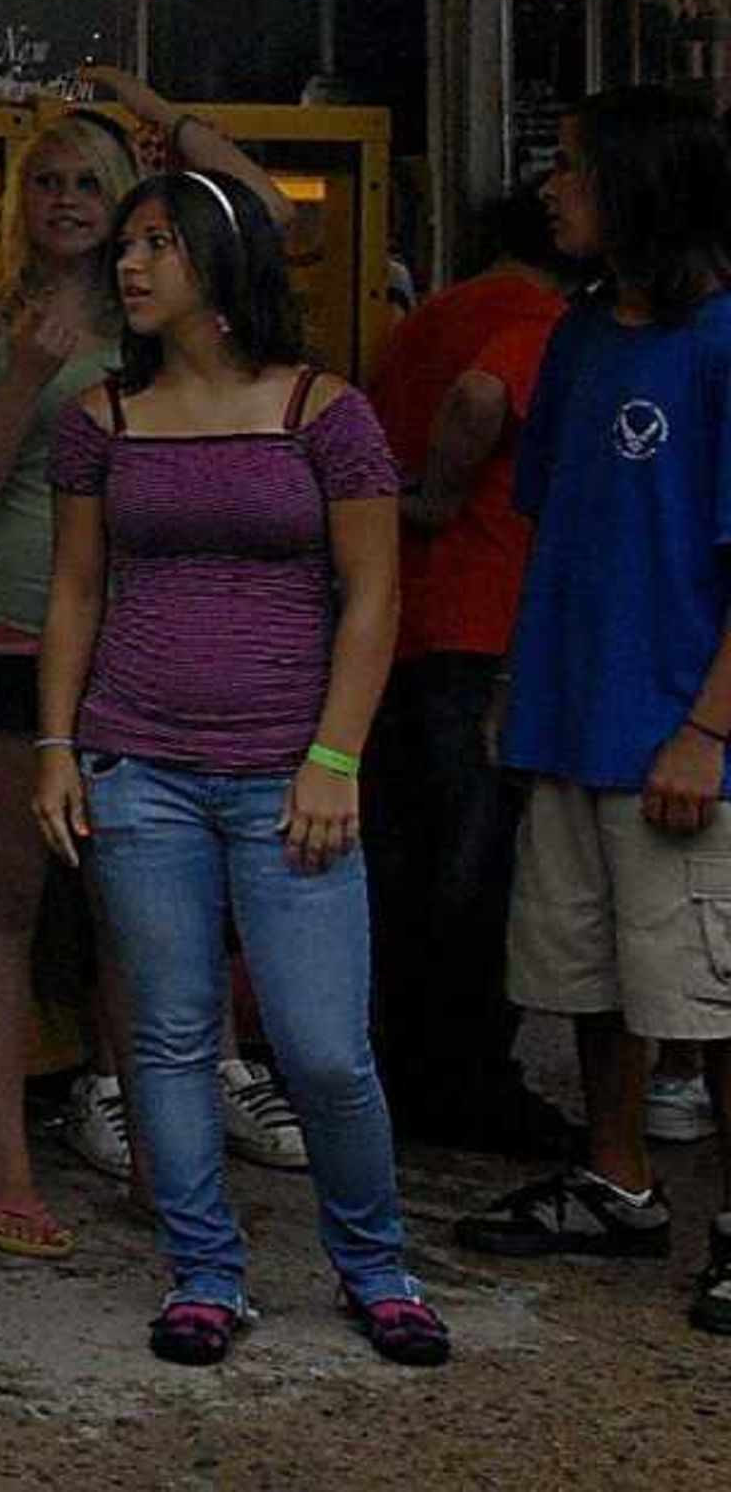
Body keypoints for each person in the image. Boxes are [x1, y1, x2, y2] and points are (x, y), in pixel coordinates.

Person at [32, 166, 437, 1368]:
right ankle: (205, 1271)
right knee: (168, 1033)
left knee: (321, 1046)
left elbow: (374, 597)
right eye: (129, 246)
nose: (131, 265)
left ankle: (377, 1264)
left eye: (159, 243)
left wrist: (335, 755)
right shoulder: (99, 418)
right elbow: (74, 589)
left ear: (222, 261)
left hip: (287, 772)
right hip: (137, 759)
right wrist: (58, 744)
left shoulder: (326, 411)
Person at [456, 87, 731, 1343]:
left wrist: (708, 730)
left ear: (640, 184)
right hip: (570, 708)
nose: (551, 188)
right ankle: (616, 1182)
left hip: (677, 727)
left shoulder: (720, 339)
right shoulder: (576, 335)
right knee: (585, 968)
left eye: (572, 168)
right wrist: (523, 680)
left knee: (704, 995)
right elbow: (556, 522)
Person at [0, 109, 135, 1257]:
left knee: (137, 907)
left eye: (87, 183)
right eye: (45, 181)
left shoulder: (165, 312)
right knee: (5, 894)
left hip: (143, 638)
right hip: (12, 624)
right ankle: (5, 1153)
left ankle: (150, 1129)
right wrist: (34, 372)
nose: (63, 201)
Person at [364, 187, 581, 1155]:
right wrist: (446, 494)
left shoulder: (434, 312)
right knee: (476, 872)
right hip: (483, 619)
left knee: (408, 867)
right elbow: (485, 396)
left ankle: (405, 1069)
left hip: (404, 619)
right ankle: (464, 1082)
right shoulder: (539, 318)